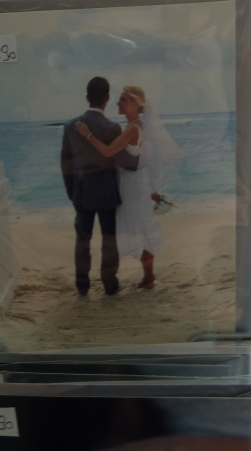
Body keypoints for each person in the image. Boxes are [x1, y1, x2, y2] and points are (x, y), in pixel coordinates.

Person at [75, 86, 181, 289]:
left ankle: (149, 277)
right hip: (138, 181)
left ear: (134, 103)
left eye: (123, 99)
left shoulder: (133, 128)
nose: (118, 103)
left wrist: (87, 134)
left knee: (138, 227)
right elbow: (148, 160)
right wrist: (152, 188)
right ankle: (148, 276)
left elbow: (108, 151)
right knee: (141, 226)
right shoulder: (141, 126)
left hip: (133, 184)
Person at [61, 77, 138, 296]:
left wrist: (71, 192)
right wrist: (139, 157)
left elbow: (65, 163)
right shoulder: (111, 127)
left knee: (82, 239)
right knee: (109, 239)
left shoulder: (70, 126)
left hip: (81, 192)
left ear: (87, 97)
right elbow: (124, 162)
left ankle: (82, 285)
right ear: (107, 99)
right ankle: (109, 284)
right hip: (106, 192)